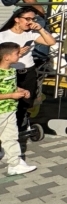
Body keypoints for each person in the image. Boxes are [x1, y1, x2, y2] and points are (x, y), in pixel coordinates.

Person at [0, 8, 56, 137]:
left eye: (33, 19)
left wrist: (40, 29)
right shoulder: (3, 35)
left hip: (28, 72)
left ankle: (18, 128)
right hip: (9, 73)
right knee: (10, 100)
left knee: (26, 101)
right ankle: (9, 130)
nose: (30, 22)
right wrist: (16, 53)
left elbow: (51, 42)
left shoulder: (31, 34)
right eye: (27, 19)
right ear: (17, 19)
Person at [0, 43, 35, 176]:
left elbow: (12, 87)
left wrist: (22, 90)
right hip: (1, 111)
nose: (19, 55)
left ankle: (15, 164)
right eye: (17, 53)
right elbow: (8, 93)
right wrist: (11, 95)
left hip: (10, 110)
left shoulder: (11, 70)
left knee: (11, 136)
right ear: (6, 57)